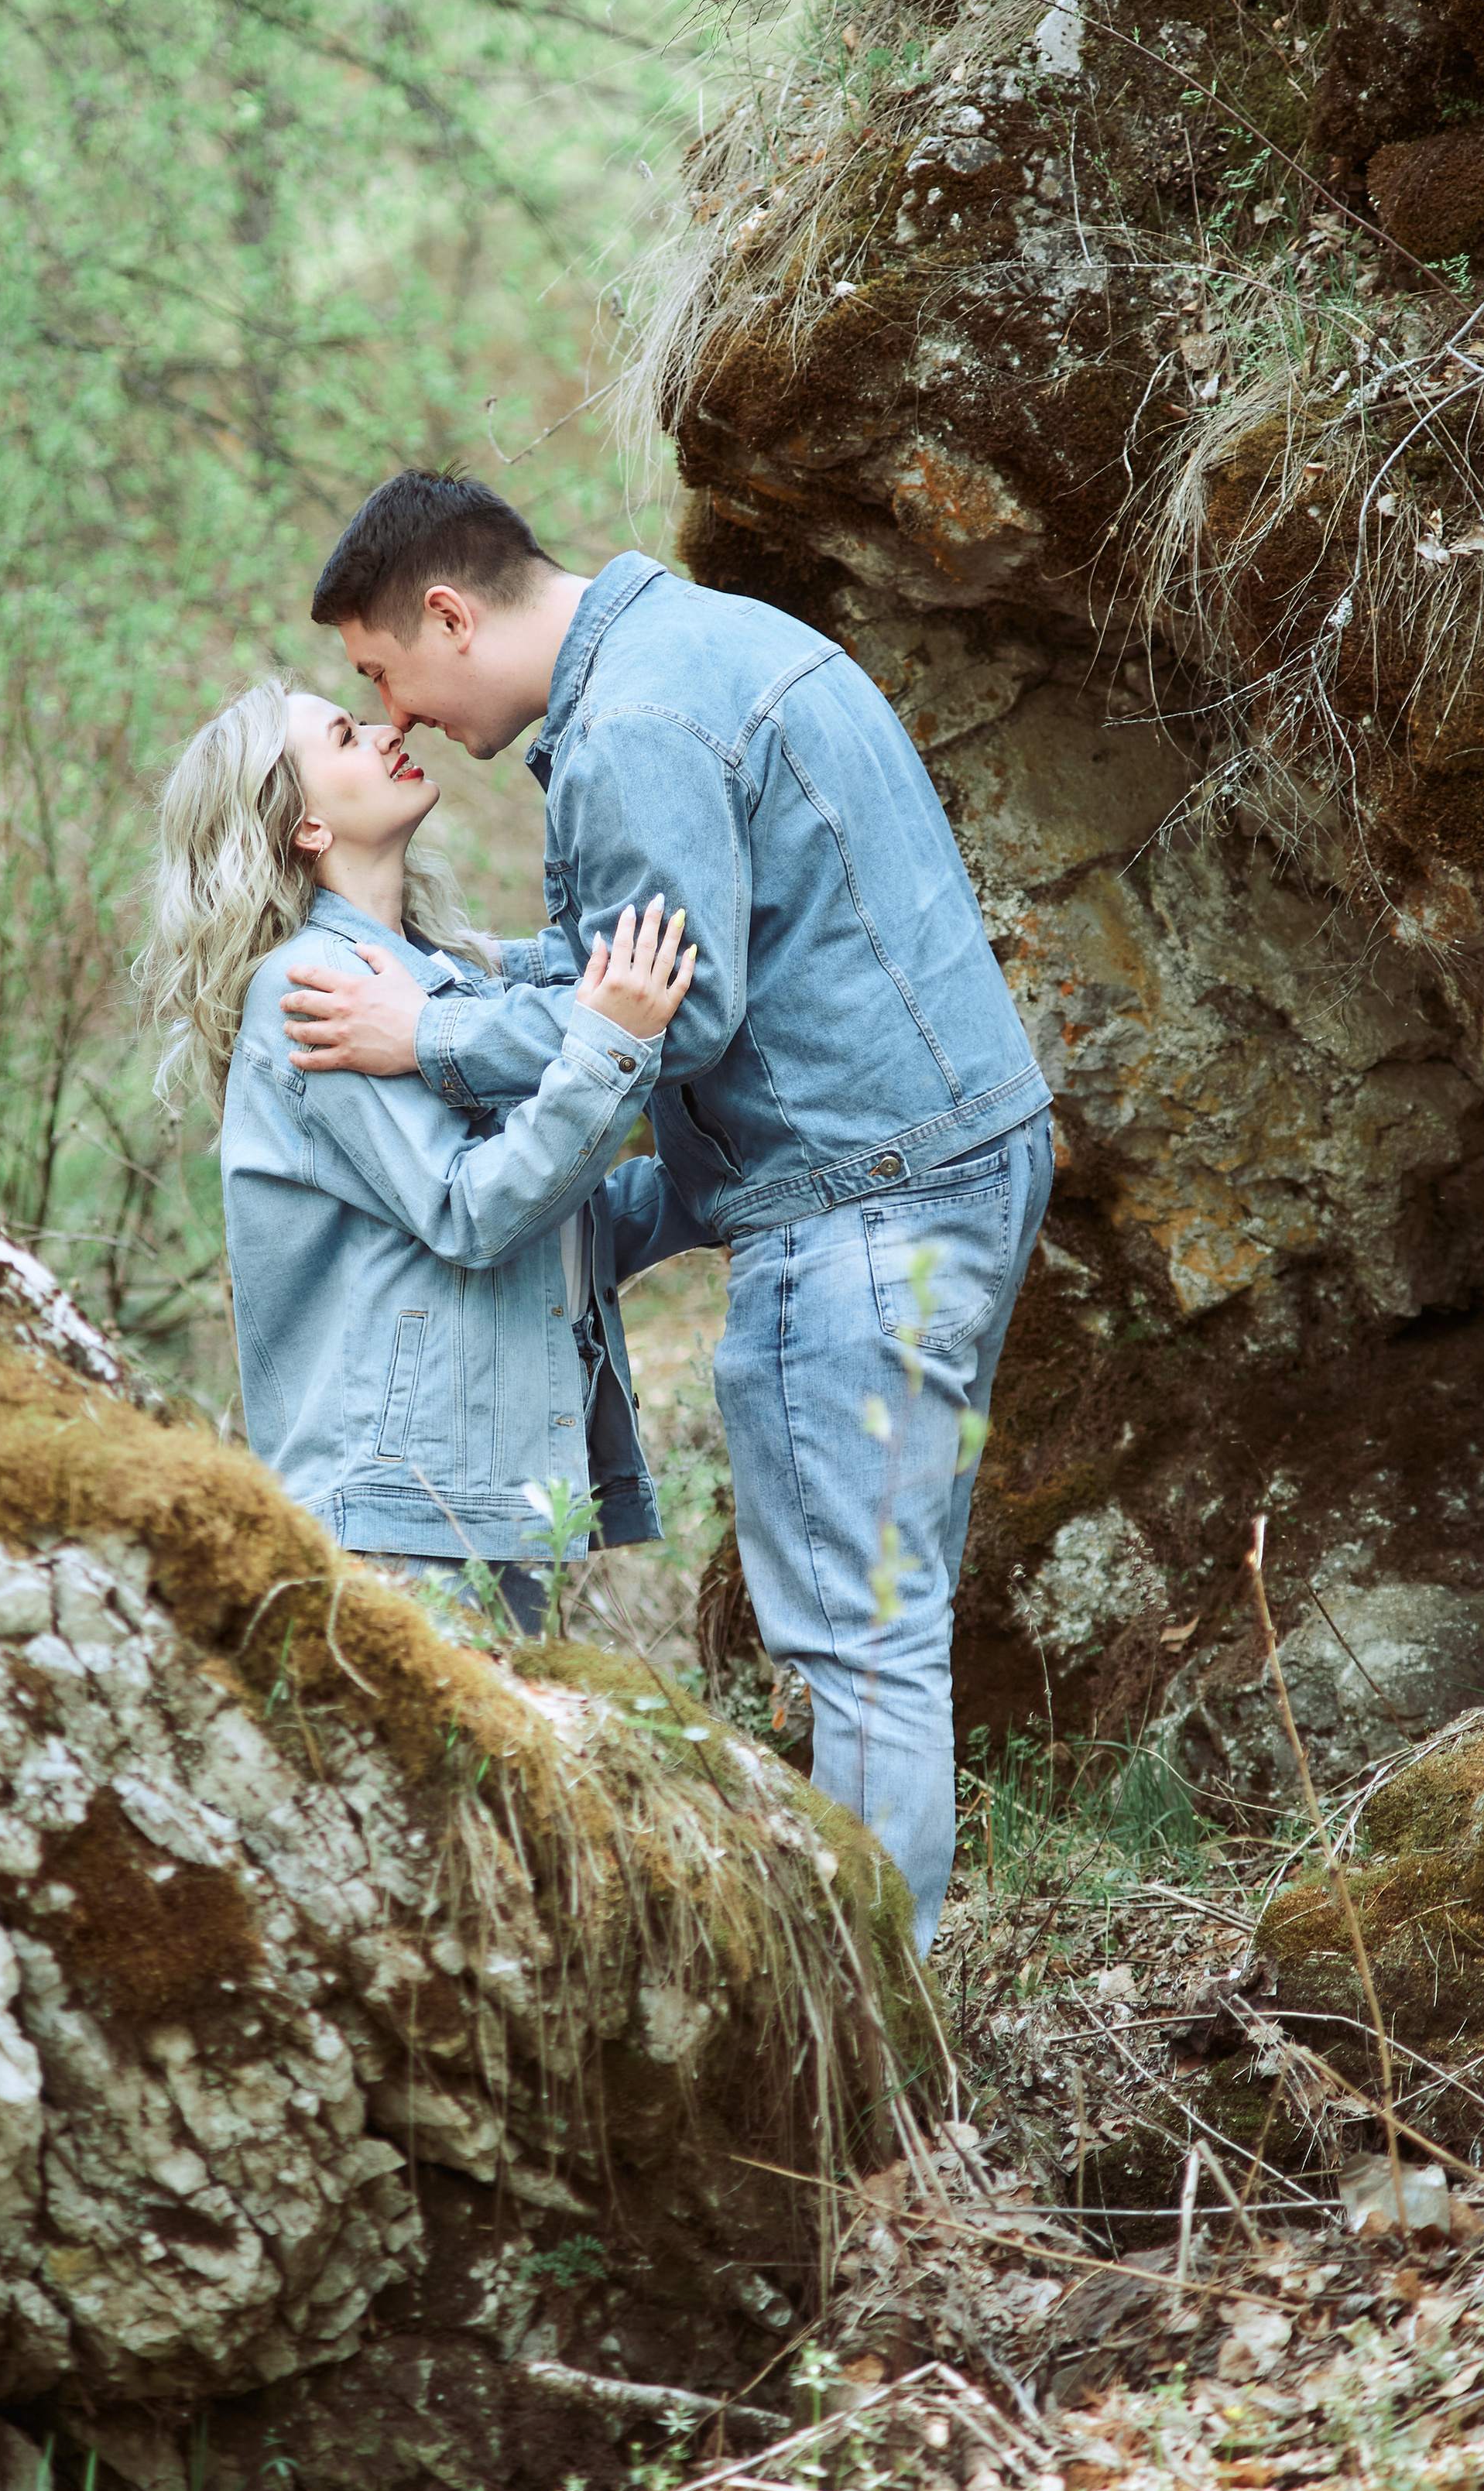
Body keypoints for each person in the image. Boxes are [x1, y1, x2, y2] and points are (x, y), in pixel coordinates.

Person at [276, 471, 1054, 1951]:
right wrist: (478, 974)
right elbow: (616, 953)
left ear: (447, 614)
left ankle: (884, 2037)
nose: (398, 714)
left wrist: (419, 1038)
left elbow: (671, 1019)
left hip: (863, 1224)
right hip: (952, 1177)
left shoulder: (629, 730)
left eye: (383, 671)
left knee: (862, 1648)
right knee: (889, 1620)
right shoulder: (700, 643)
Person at [137, 677, 701, 1632]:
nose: (382, 728)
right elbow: (473, 1212)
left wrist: (726, 1181)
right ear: (305, 826)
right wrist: (610, 1049)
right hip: (398, 1510)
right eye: (341, 736)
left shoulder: (428, 986)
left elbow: (553, 1226)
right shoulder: (313, 990)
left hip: (485, 1494)